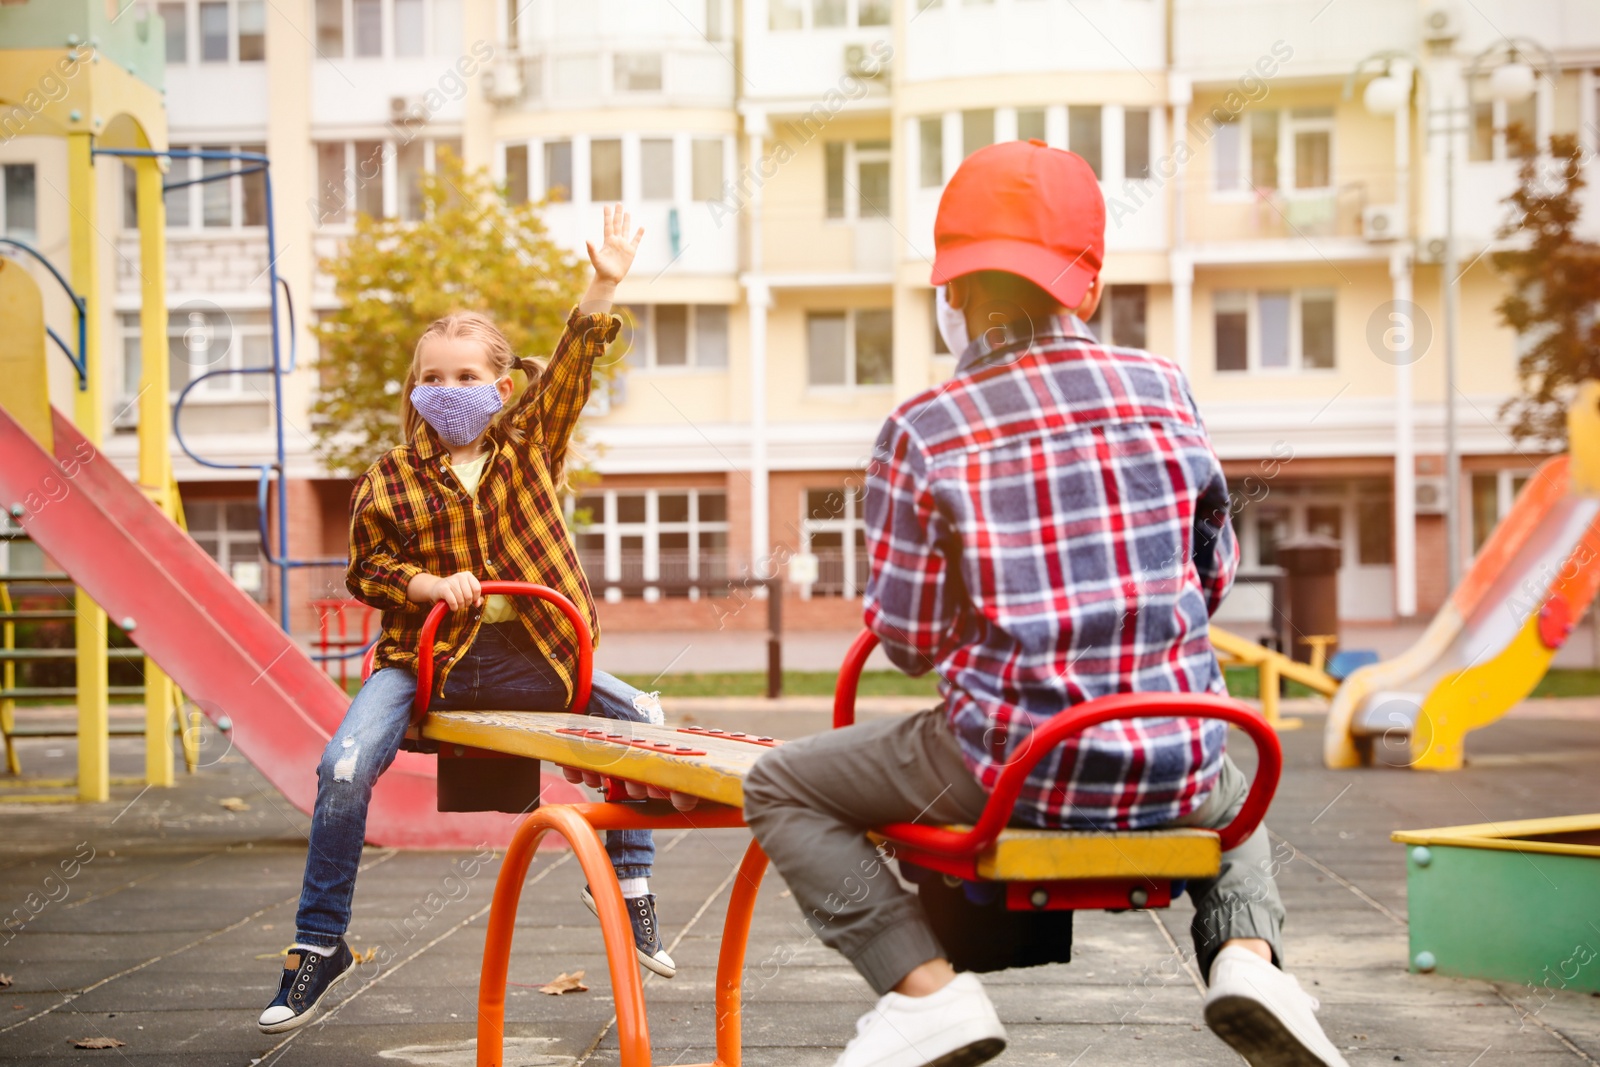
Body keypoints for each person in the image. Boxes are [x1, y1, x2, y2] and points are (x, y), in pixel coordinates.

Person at [741, 141, 1349, 1067]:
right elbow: (1211, 573)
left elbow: (904, 640)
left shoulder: (921, 427)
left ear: (952, 295)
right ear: (1089, 290)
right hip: (1174, 757)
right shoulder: (1164, 389)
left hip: (1007, 770)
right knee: (1234, 783)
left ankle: (925, 993)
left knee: (780, 782)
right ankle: (1247, 957)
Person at [258, 206, 676, 1035]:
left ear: (499, 386)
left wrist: (603, 283)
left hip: (539, 658)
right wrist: (424, 583)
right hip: (425, 662)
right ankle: (319, 944)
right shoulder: (389, 478)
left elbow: (570, 370)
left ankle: (629, 892)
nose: (447, 392)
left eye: (463, 377)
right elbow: (367, 570)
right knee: (342, 769)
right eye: (434, 378)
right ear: (416, 388)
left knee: (643, 720)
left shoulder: (529, 448)